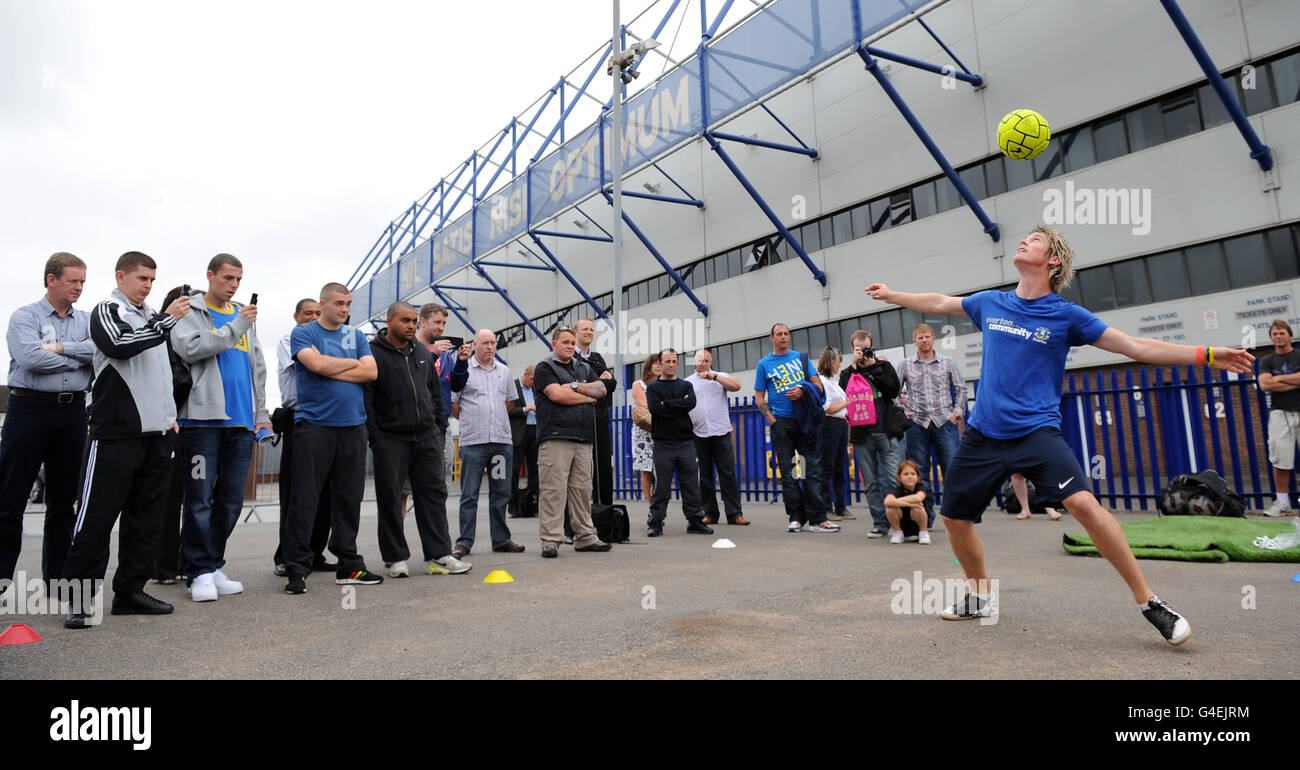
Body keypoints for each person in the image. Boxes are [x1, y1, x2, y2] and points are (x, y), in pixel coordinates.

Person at [865, 225, 1254, 644]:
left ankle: (1149, 602)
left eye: (1034, 240)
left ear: (1053, 261)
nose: (1022, 241)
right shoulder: (992, 303)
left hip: (1036, 432)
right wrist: (893, 295)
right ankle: (980, 595)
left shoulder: (1067, 316)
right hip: (983, 435)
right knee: (955, 518)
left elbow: (1135, 347)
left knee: (1084, 504)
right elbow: (941, 301)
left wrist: (1207, 354)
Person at [62, 251, 191, 629]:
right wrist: (168, 321)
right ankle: (80, 600)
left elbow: (163, 372)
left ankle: (130, 591)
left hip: (158, 435)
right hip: (115, 434)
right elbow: (119, 345)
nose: (148, 285)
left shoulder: (153, 317)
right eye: (141, 279)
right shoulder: (107, 310)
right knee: (97, 518)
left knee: (147, 519)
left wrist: (170, 418)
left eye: (152, 279)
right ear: (121, 276)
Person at [171, 254, 271, 603]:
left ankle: (212, 565)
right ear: (210, 275)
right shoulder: (190, 311)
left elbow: (257, 366)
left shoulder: (242, 315)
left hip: (242, 422)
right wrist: (236, 327)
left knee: (230, 501)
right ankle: (197, 571)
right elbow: (191, 347)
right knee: (198, 500)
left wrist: (262, 413)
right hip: (202, 420)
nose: (234, 285)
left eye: (239, 279)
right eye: (228, 277)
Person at [0, 253, 93, 594]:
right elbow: (29, 357)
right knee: (10, 498)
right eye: (73, 281)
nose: (79, 288)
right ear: (51, 280)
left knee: (63, 502)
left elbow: (98, 353)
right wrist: (76, 357)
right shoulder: (25, 316)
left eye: (83, 281)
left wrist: (59, 349)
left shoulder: (86, 319)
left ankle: (57, 579)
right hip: (28, 410)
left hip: (72, 415)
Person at [282, 282, 382, 594]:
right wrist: (347, 365)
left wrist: (330, 368)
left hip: (353, 426)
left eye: (348, 303)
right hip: (315, 426)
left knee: (349, 499)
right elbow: (315, 364)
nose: (344, 309)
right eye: (339, 303)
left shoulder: (356, 336)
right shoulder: (304, 333)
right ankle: (297, 568)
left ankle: (349, 564)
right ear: (323, 304)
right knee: (305, 498)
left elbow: (371, 373)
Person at [364, 302, 470, 578]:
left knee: (433, 496)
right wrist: (375, 436)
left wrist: (437, 428)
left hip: (426, 437)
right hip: (390, 438)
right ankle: (395, 558)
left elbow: (435, 393)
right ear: (389, 321)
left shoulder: (422, 351)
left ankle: (439, 555)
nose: (411, 326)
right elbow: (368, 399)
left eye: (413, 321)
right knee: (390, 499)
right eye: (405, 321)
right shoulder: (373, 353)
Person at [532, 326, 612, 558]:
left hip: (584, 438)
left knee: (581, 490)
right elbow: (557, 395)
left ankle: (586, 537)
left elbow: (602, 389)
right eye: (564, 342)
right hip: (556, 437)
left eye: (571, 343)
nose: (569, 346)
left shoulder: (584, 367)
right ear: (554, 344)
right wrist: (587, 397)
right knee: (553, 490)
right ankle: (550, 540)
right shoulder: (545, 367)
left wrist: (576, 387)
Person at [753, 323, 839, 533]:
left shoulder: (800, 358)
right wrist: (774, 421)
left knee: (812, 470)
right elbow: (759, 397)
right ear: (771, 338)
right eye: (779, 334)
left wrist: (802, 389)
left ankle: (818, 519)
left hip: (805, 422)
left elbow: (818, 385)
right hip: (782, 424)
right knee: (790, 472)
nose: (783, 337)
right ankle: (796, 518)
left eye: (786, 334)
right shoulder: (764, 364)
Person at [272, 299, 335, 576]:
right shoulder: (289, 339)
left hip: (328, 421)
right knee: (297, 493)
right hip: (300, 421)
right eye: (307, 313)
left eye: (317, 314)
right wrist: (332, 362)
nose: (313, 318)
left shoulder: (326, 340)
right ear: (296, 316)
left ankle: (315, 552)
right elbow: (316, 366)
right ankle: (287, 556)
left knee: (326, 494)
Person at [450, 328, 525, 556]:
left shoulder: (503, 371)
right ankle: (464, 542)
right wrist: (475, 419)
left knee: (501, 493)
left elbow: (510, 402)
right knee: (469, 494)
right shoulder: (463, 371)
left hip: (501, 443)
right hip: (473, 443)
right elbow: (454, 406)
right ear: (475, 345)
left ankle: (501, 539)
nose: (490, 347)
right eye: (485, 343)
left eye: (493, 343)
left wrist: (493, 418)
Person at [896, 322, 966, 518]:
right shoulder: (905, 365)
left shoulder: (948, 362)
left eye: (927, 337)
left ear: (933, 339)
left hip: (944, 423)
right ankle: (925, 516)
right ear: (914, 341)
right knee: (919, 473)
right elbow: (894, 393)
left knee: (952, 470)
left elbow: (961, 388)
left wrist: (956, 414)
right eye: (920, 337)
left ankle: (956, 513)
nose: (924, 340)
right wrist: (903, 412)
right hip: (917, 424)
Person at [839, 329, 903, 537]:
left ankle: (899, 524)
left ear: (872, 346)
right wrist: (855, 366)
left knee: (894, 480)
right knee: (872, 482)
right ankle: (879, 523)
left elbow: (893, 390)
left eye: (866, 348)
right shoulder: (849, 372)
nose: (863, 352)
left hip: (886, 431)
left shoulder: (883, 366)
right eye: (859, 349)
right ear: (852, 349)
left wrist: (873, 365)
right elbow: (843, 392)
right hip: (862, 435)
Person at [646, 348, 713, 537]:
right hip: (663, 444)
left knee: (691, 485)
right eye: (667, 361)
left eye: (674, 361)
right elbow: (655, 410)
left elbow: (690, 403)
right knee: (661, 487)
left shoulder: (685, 386)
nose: (671, 365)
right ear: (659, 364)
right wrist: (677, 404)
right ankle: (656, 522)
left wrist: (666, 403)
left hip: (686, 443)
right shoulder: (653, 388)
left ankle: (695, 521)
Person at [153, 286, 192, 585]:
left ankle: (185, 561)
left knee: (193, 497)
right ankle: (164, 565)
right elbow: (175, 380)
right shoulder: (162, 336)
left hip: (195, 424)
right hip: (170, 424)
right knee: (167, 498)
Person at [686, 349, 749, 526]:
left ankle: (735, 513)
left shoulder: (720, 376)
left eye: (706, 360)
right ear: (695, 363)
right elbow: (683, 406)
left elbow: (736, 386)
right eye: (700, 360)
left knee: (728, 474)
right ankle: (710, 514)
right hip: (699, 434)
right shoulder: (688, 382)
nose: (703, 363)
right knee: (705, 477)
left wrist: (713, 377)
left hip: (721, 432)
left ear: (711, 361)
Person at [1257, 319, 1300, 516]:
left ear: (1289, 335)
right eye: (1275, 334)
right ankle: (1282, 502)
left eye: (1282, 333)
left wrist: (1278, 379)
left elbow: (1272, 381)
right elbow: (1265, 384)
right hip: (1279, 413)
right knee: (1280, 458)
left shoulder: (1298, 356)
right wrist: (1294, 381)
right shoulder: (1267, 361)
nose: (1278, 337)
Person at [574, 317, 617, 507]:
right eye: (585, 329)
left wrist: (598, 383)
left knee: (603, 466)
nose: (589, 332)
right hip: (577, 420)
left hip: (599, 418)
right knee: (580, 468)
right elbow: (575, 385)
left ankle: (605, 508)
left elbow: (611, 384)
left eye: (592, 329)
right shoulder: (570, 358)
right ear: (575, 332)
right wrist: (599, 381)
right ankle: (581, 510)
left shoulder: (597, 357)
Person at [817, 347, 850, 523]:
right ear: (831, 362)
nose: (839, 366)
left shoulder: (834, 381)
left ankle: (841, 506)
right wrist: (847, 402)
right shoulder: (822, 381)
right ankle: (826, 506)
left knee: (839, 467)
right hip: (829, 425)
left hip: (841, 425)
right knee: (827, 467)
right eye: (838, 362)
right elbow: (827, 408)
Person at [508, 364, 540, 517]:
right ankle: (513, 506)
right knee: (514, 471)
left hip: (535, 431)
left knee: (535, 471)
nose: (534, 382)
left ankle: (532, 505)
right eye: (533, 379)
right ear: (525, 375)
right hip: (518, 434)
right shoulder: (513, 387)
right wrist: (524, 409)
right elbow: (507, 410)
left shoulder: (536, 388)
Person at [629, 354, 660, 504]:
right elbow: (644, 404)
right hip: (643, 432)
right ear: (649, 366)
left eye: (661, 363)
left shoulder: (665, 384)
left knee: (661, 469)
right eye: (656, 363)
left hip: (662, 429)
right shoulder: (638, 384)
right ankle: (650, 504)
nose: (659, 366)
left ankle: (659, 502)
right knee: (646, 470)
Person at [883, 460, 931, 544]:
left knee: (917, 506)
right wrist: (909, 503)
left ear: (918, 477)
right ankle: (898, 533)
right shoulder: (898, 490)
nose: (909, 477)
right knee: (890, 508)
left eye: (913, 474)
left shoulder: (920, 487)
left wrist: (896, 501)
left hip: (917, 524)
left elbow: (918, 498)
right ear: (899, 477)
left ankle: (923, 533)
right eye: (906, 474)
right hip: (903, 524)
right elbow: (887, 501)